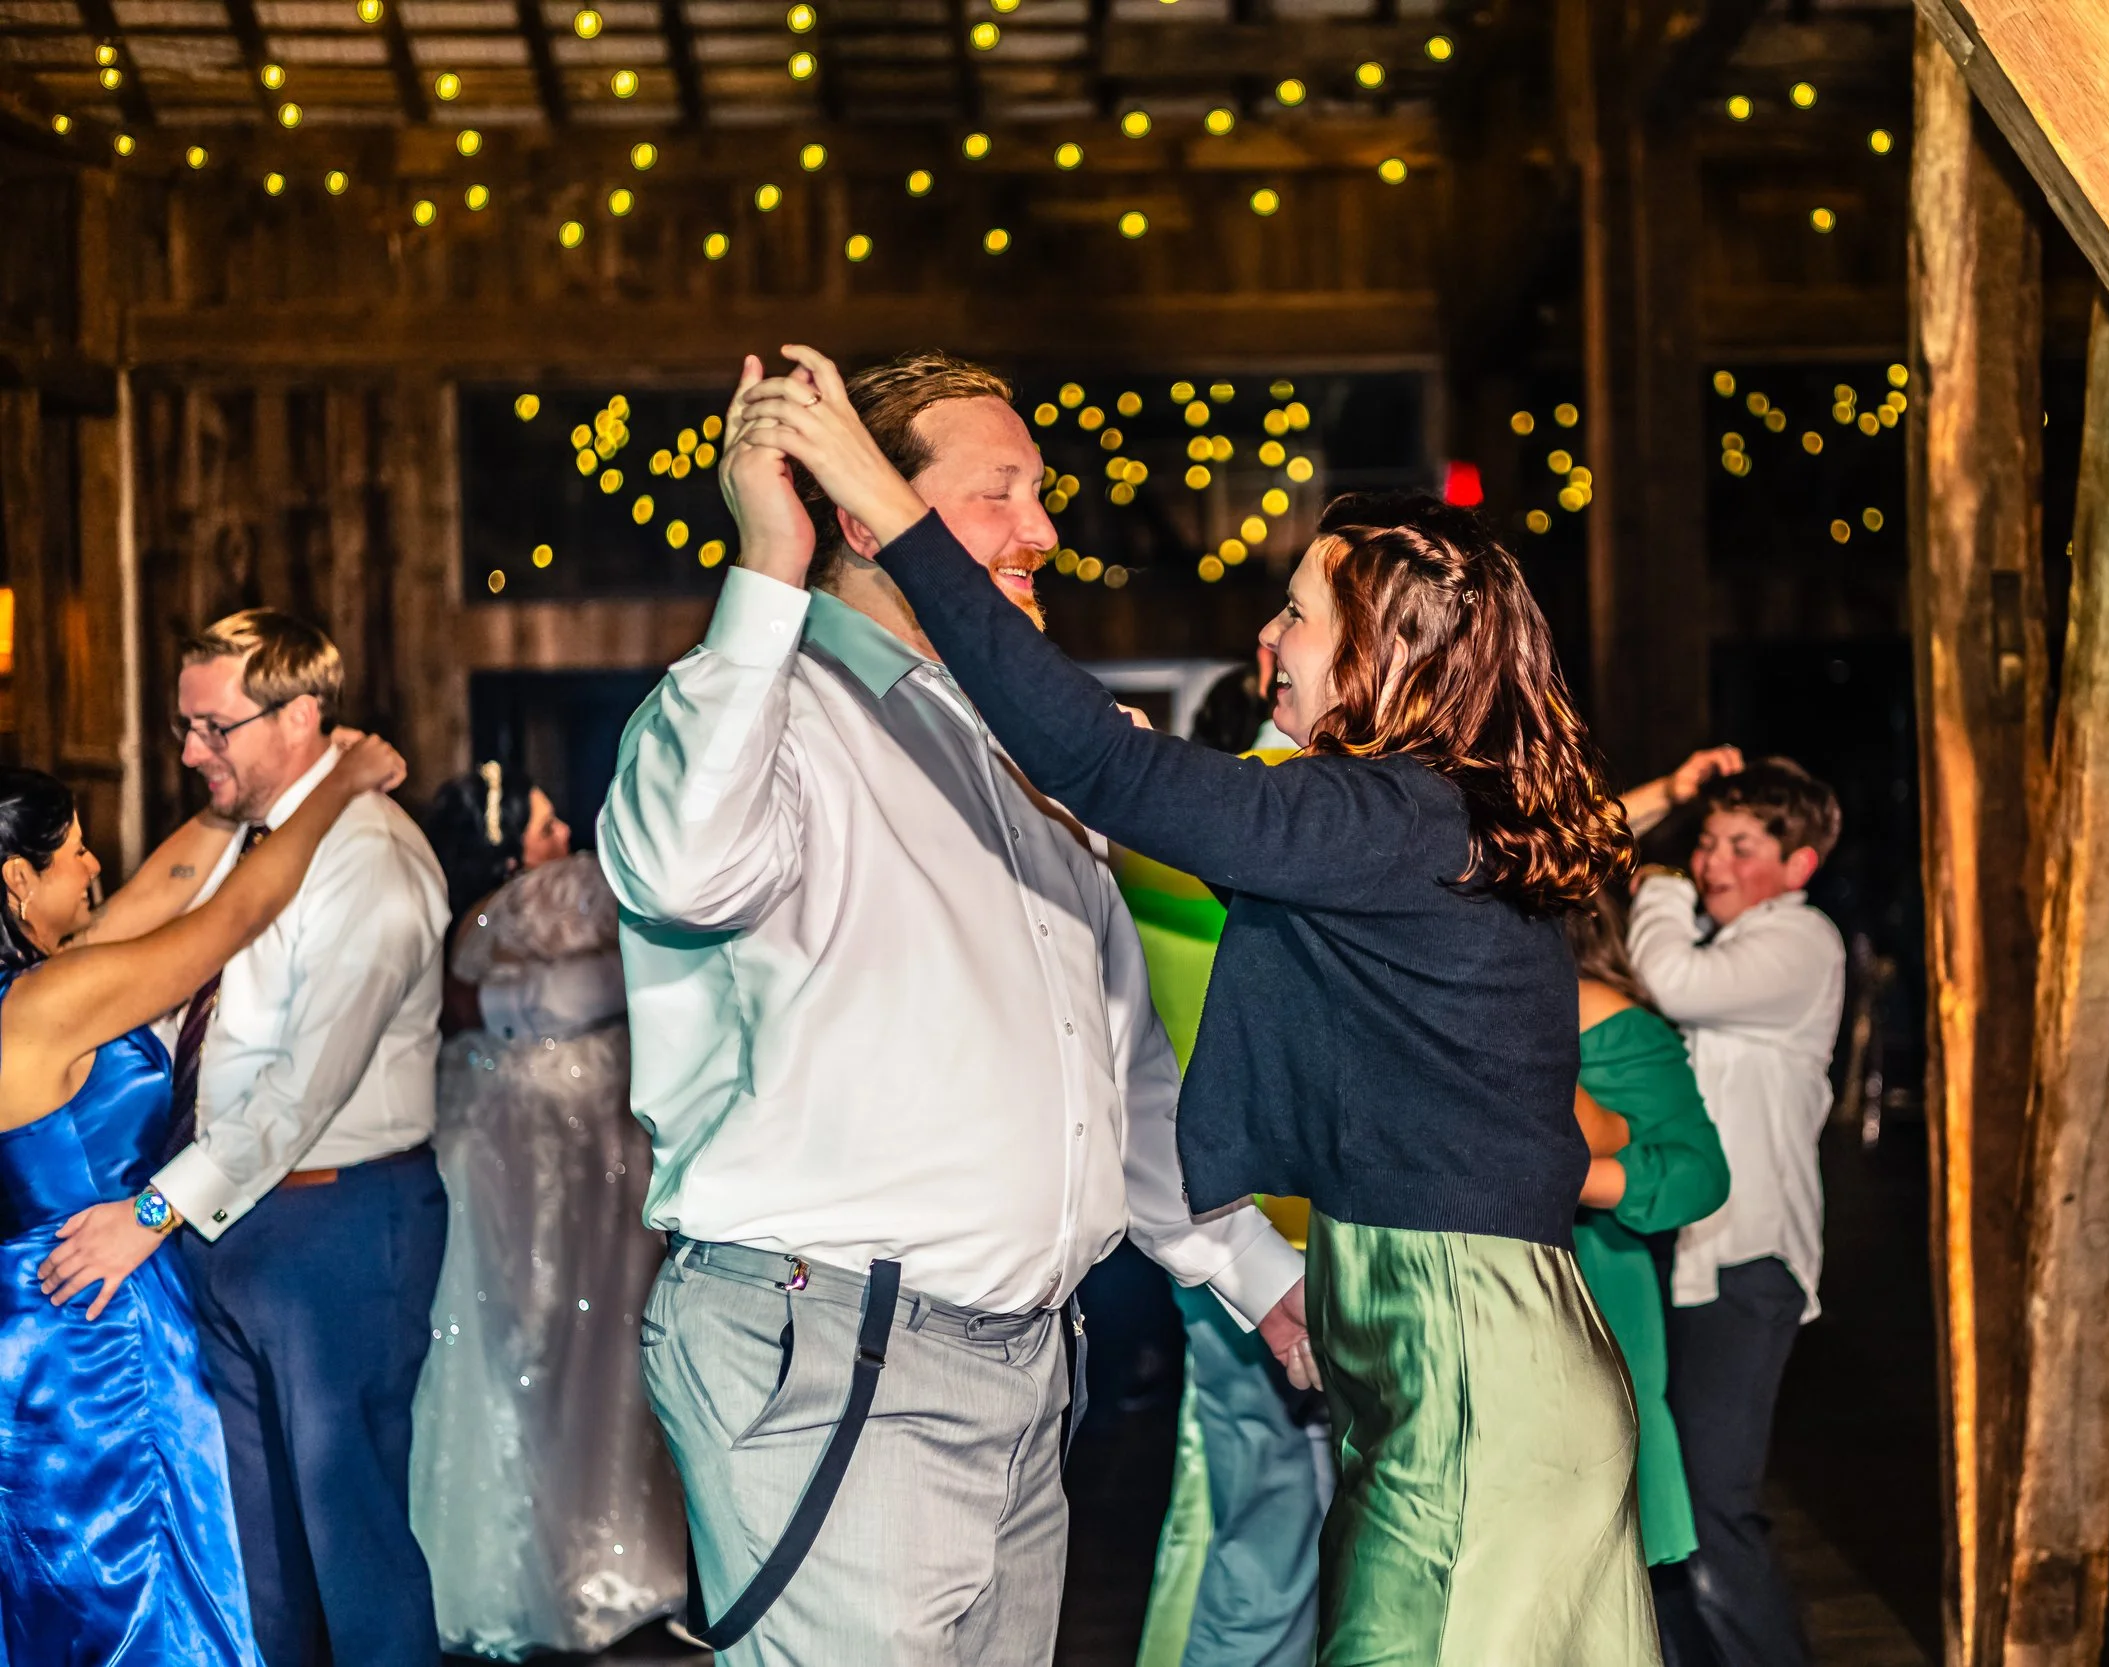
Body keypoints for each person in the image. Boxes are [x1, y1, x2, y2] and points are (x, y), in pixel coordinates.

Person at [738, 344, 1660, 1665]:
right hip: (1471, 1356)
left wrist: (888, 508)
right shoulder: (1414, 818)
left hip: (1476, 1372)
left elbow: (1109, 764)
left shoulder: (1385, 813)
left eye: (1297, 613)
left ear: (1386, 653)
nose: (1266, 639)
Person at [599, 350, 1307, 1666]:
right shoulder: (758, 706)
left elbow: (1115, 1070)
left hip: (1025, 1361)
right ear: (870, 513)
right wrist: (767, 563)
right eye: (1004, 494)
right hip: (840, 1353)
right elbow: (682, 867)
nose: (1044, 530)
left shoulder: (1018, 745)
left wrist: (1257, 1275)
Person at [0, 734, 406, 1664]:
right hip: (99, 1324)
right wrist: (339, 781)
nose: (100, 864)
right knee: (145, 1600)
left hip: (24, 1316)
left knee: (47, 1600)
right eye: (75, 853)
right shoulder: (50, 1001)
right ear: (18, 878)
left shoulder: (38, 986)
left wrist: (230, 803)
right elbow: (233, 915)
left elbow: (159, 889)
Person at [145, 609, 454, 1667]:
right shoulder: (251, 844)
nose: (190, 751)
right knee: (263, 1556)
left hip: (338, 1221)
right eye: (185, 725)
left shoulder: (372, 857)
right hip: (235, 1224)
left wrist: (154, 1208)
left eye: (213, 726)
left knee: (352, 1549)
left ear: (301, 713)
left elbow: (304, 1086)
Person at [412, 762, 685, 1658]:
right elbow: (589, 993)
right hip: (512, 1162)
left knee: (587, 1347)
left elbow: (600, 989)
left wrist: (481, 1005)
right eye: (540, 827)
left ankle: (586, 1550)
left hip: (578, 1169)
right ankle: (524, 1554)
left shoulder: (540, 913)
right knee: (512, 1341)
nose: (563, 835)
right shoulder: (504, 913)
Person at [1621, 756, 1846, 1667]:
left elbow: (1671, 984)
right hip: (1682, 1257)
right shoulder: (1721, 944)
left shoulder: (1803, 942)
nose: (1712, 861)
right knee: (1670, 1499)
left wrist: (1662, 883)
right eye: (1705, 843)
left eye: (1740, 846)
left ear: (1797, 866)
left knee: (1715, 1498)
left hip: (1749, 1261)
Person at [1130, 691, 1327, 1667]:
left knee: (1240, 1511)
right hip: (1304, 1233)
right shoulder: (1306, 829)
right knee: (1319, 1536)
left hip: (1199, 1222)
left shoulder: (1144, 856)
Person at [1567, 891, 1731, 1667]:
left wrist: (1579, 1176)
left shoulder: (1613, 1023)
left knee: (1613, 1607)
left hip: (1594, 1328)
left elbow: (1699, 1173)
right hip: (1450, 1320)